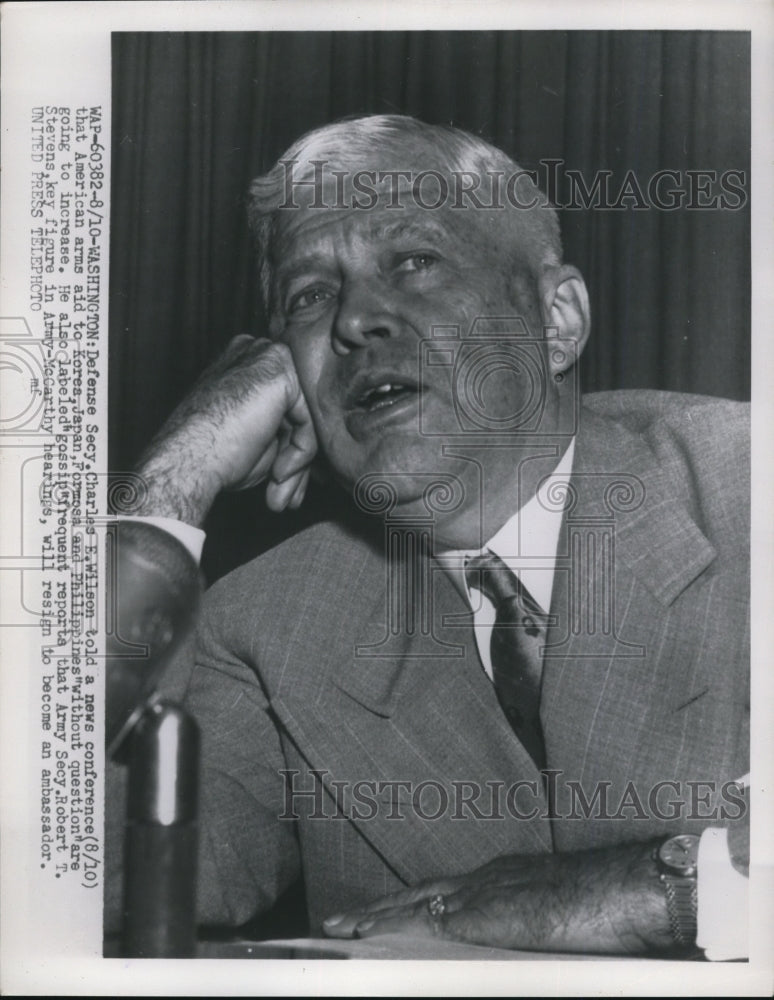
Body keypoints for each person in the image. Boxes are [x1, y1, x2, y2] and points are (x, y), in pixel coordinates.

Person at [107, 115, 749, 957]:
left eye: (414, 261)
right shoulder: (264, 625)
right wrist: (170, 484)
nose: (356, 321)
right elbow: (82, 871)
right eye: (310, 297)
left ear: (556, 320)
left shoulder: (744, 486)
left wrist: (652, 892)